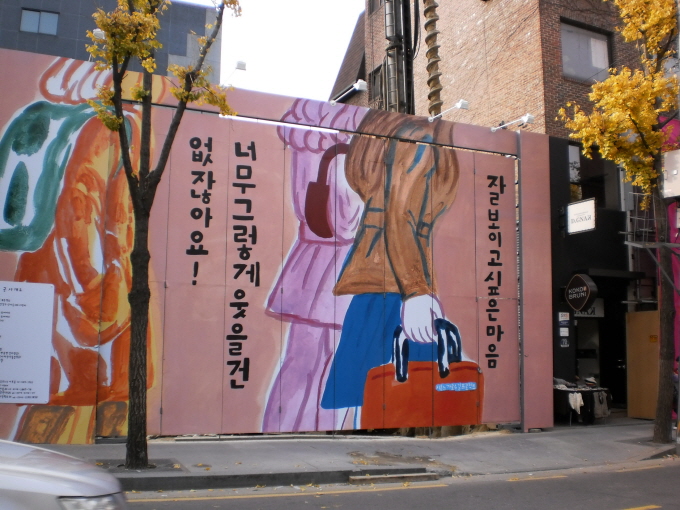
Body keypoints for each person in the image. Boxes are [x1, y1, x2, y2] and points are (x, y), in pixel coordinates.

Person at [319, 110, 461, 427]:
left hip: (383, 287)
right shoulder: (419, 140)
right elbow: (400, 216)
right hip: (398, 289)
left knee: (370, 390)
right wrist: (416, 292)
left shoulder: (405, 141)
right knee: (397, 388)